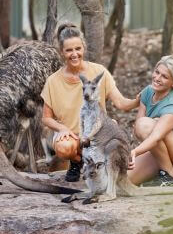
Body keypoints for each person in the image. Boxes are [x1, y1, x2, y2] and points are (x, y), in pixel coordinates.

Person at [41, 23, 139, 182]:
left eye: (77, 49)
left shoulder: (98, 72)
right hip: (71, 136)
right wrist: (62, 128)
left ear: (83, 48)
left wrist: (137, 101)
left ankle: (104, 167)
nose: (74, 54)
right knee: (64, 148)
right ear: (62, 52)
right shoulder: (53, 81)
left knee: (112, 130)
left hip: (96, 133)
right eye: (69, 50)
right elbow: (46, 118)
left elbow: (121, 103)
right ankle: (76, 162)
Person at [128, 55, 173, 186]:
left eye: (164, 76)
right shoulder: (147, 92)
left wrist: (135, 151)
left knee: (144, 125)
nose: (157, 78)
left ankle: (170, 175)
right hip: (163, 150)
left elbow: (154, 135)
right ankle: (165, 171)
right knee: (125, 179)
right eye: (157, 72)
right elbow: (137, 132)